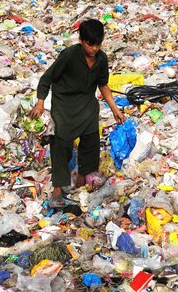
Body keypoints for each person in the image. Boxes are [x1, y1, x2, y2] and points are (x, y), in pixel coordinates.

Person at [29, 19, 125, 207]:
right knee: (61, 147)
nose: (94, 49)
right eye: (90, 44)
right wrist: (40, 103)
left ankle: (80, 186)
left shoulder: (101, 59)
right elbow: (46, 79)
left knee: (90, 146)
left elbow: (103, 85)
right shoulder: (69, 55)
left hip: (87, 107)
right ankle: (57, 191)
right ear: (81, 40)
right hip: (65, 107)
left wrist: (115, 109)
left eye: (98, 44)